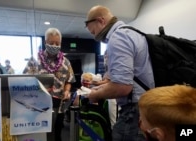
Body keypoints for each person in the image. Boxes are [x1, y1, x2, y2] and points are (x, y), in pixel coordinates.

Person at [85, 5, 154, 141]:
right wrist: (103, 86)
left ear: (101, 21)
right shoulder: (132, 32)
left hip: (134, 109)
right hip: (147, 103)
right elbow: (130, 77)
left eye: (94, 32)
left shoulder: (118, 38)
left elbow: (123, 87)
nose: (95, 37)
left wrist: (95, 94)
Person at [37, 27, 76, 141]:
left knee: (58, 133)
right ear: (45, 42)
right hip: (40, 105)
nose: (54, 45)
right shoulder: (35, 61)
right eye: (51, 43)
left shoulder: (66, 61)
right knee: (42, 134)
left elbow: (70, 79)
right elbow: (26, 80)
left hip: (60, 105)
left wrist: (67, 90)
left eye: (57, 43)